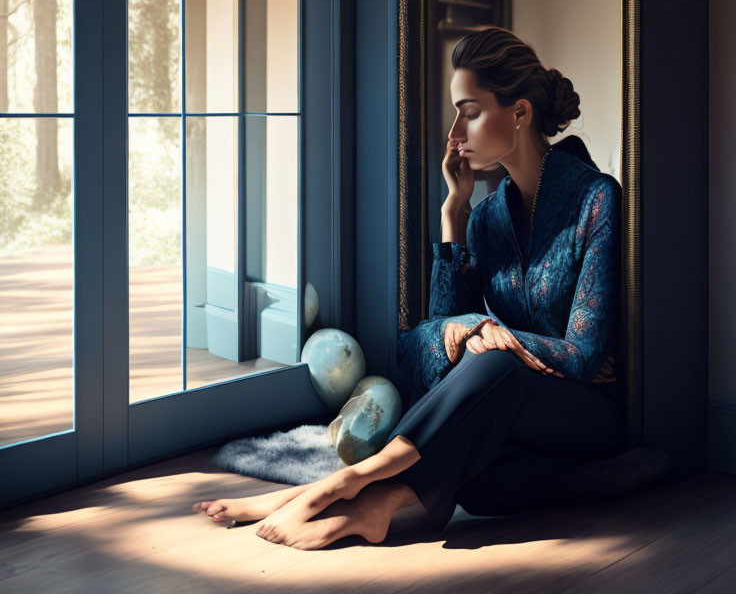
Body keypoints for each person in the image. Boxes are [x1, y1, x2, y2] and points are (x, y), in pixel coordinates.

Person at [193, 27, 663, 551]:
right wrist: (453, 216)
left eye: (471, 111)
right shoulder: (486, 218)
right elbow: (429, 345)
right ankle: (379, 505)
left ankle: (341, 483)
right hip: (510, 413)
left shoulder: (595, 199)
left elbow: (581, 357)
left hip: (587, 415)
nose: (456, 131)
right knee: (482, 479)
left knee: (494, 362)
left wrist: (493, 337)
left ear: (521, 112)